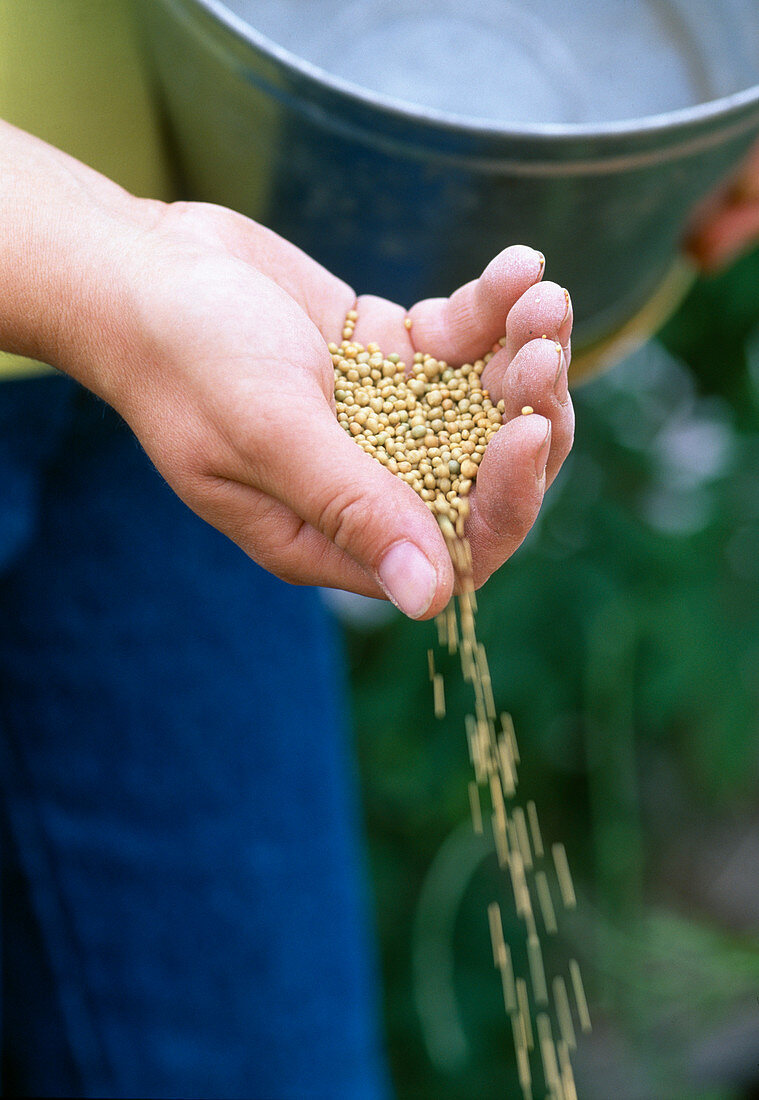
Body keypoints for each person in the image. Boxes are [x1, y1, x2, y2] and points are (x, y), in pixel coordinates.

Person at [0, 5, 576, 1097]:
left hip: (193, 294)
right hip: (120, 274)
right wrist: (104, 261)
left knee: (263, 1056)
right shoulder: (135, 276)